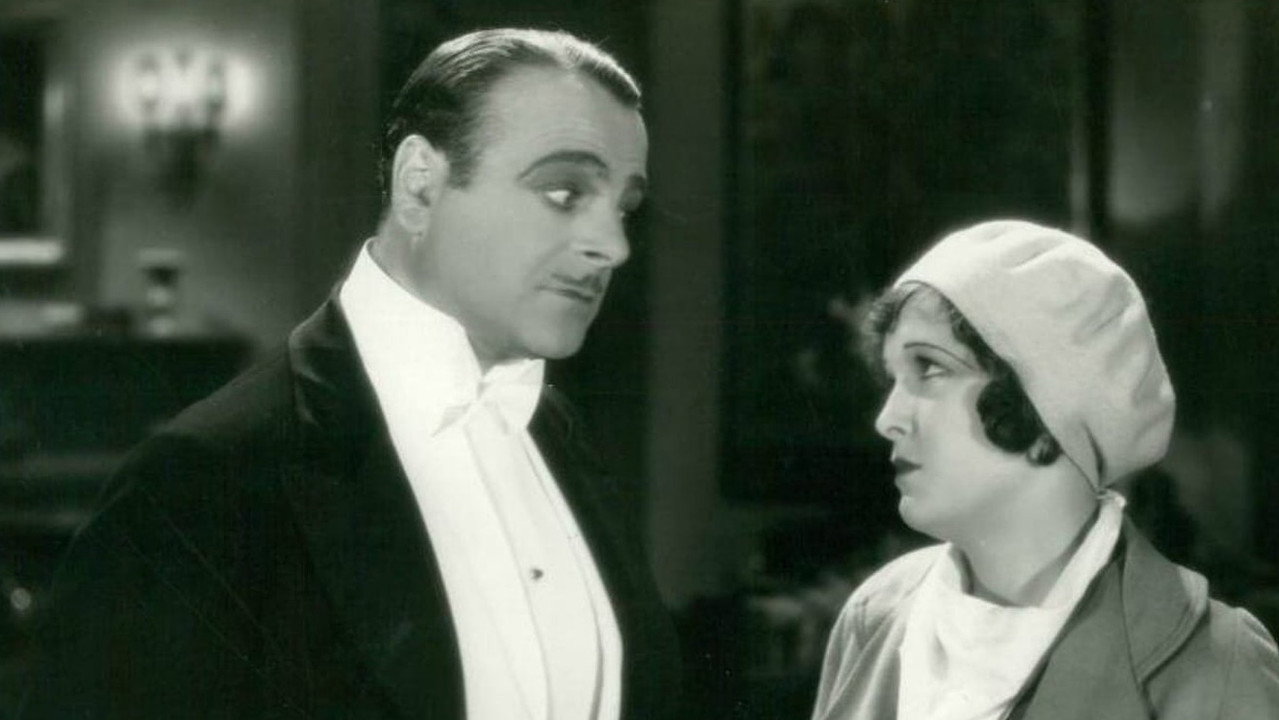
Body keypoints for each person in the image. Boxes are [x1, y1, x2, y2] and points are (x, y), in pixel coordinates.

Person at [21, 28, 679, 720]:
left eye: (623, 207)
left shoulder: (556, 435)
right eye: (564, 192)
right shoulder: (203, 481)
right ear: (419, 184)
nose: (613, 245)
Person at [811, 220, 1279, 719]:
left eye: (929, 367)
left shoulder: (1216, 666)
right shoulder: (875, 616)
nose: (887, 419)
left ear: (1045, 401)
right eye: (893, 378)